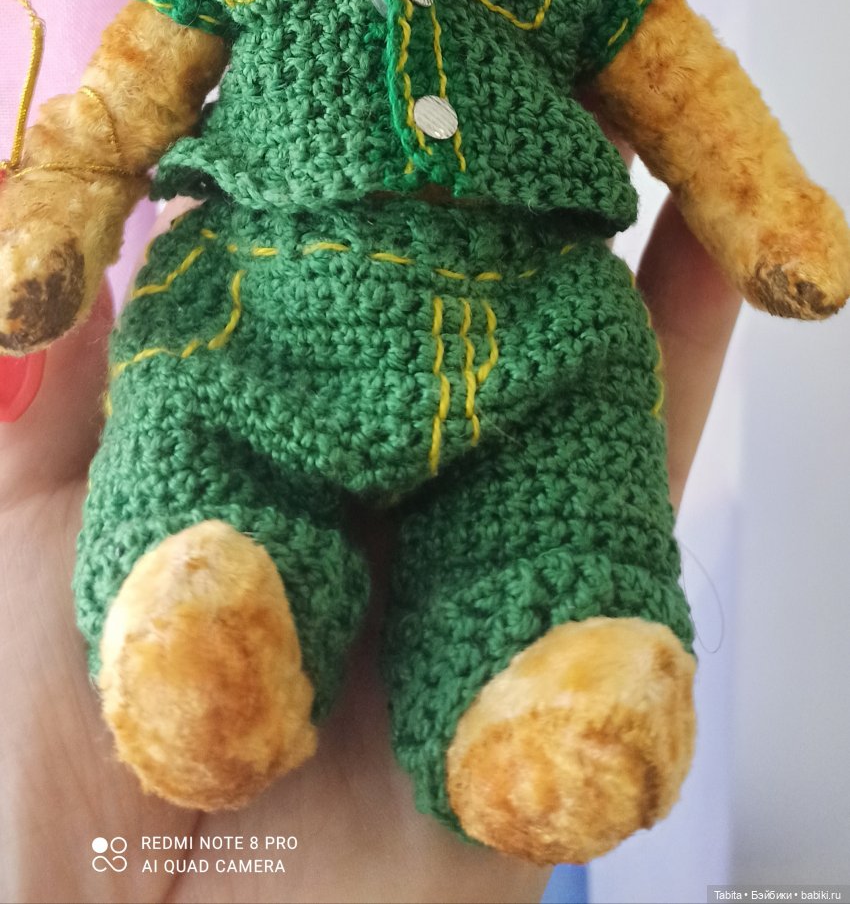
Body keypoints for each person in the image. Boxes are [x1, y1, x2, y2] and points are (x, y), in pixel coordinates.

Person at [0, 189, 738, 904]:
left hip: (527, 310)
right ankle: (202, 633)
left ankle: (542, 685)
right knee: (194, 434)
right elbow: (107, 132)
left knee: (554, 489)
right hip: (255, 290)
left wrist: (753, 203)